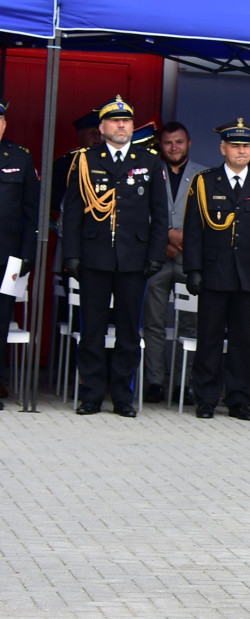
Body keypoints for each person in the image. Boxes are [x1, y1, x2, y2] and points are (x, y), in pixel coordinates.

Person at [61, 95, 167, 417]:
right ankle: (91, 395)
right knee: (91, 330)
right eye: (115, 121)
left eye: (127, 121)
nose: (122, 126)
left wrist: (155, 255)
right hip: (94, 257)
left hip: (133, 260)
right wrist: (72, 255)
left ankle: (123, 396)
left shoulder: (149, 161)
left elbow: (159, 216)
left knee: (128, 332)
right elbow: (73, 215)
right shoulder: (84, 160)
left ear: (133, 127)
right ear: (103, 127)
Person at [182, 118, 250, 421]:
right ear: (223, 148)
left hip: (248, 276)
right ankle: (206, 399)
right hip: (214, 273)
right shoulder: (204, 182)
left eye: (246, 145)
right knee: (209, 339)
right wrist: (193, 269)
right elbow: (194, 230)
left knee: (242, 342)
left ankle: (238, 399)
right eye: (235, 145)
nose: (241, 150)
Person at [141, 122, 204, 404]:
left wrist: (182, 240)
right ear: (160, 146)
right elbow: (140, 212)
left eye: (179, 142)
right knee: (153, 322)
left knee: (190, 326)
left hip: (189, 261)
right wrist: (165, 236)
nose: (174, 147)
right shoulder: (150, 171)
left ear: (189, 143)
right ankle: (155, 381)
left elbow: (208, 219)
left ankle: (183, 385)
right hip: (157, 258)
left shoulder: (203, 175)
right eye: (168, 143)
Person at [0, 99, 40, 408]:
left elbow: (31, 212)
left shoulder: (20, 157)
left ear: (4, 125)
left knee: (1, 321)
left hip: (8, 256)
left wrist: (27, 255)